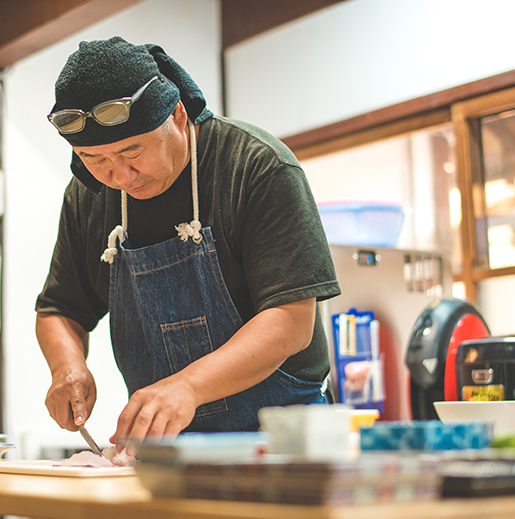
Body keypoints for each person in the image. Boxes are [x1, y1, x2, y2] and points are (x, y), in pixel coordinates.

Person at [35, 36, 341, 449]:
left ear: (178, 115)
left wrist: (188, 387)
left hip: (284, 440)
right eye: (95, 160)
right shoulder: (89, 195)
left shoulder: (257, 166)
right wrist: (67, 368)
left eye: (132, 151)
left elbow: (291, 322)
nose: (120, 176)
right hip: (165, 449)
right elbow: (59, 309)